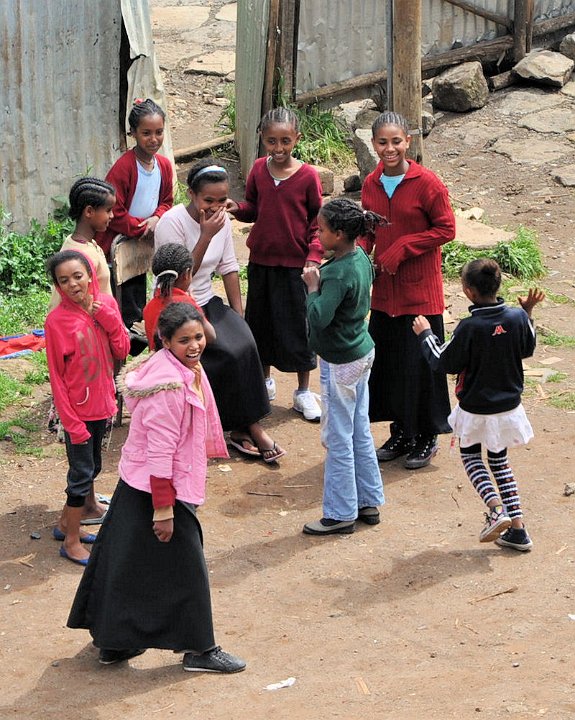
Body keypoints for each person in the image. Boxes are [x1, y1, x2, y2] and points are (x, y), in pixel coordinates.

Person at [67, 303, 246, 673]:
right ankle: (200, 649)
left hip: (137, 484)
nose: (194, 346)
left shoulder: (174, 368)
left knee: (125, 562)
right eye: (184, 340)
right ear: (165, 341)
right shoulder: (168, 387)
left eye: (198, 337)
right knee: (189, 568)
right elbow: (161, 452)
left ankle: (114, 642)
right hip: (160, 489)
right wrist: (164, 510)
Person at [155, 158, 285, 463]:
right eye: (208, 200)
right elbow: (180, 278)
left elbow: (228, 267)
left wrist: (238, 315)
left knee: (245, 342)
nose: (215, 208)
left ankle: (245, 426)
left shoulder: (222, 220)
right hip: (176, 303)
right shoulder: (171, 223)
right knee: (221, 352)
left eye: (222, 200)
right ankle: (246, 428)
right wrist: (205, 235)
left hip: (206, 300)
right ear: (191, 194)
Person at [413, 258, 544, 551]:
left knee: (472, 458)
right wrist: (527, 312)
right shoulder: (516, 317)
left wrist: (425, 335)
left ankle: (496, 510)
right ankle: (518, 531)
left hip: (477, 408)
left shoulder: (469, 327)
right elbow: (527, 348)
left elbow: (443, 362)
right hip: (509, 407)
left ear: (468, 291)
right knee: (499, 463)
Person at [359, 111, 456, 469]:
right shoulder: (371, 184)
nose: (390, 149)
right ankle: (401, 432)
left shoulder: (427, 183)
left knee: (422, 365)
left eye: (396, 141)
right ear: (373, 144)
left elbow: (446, 229)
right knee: (390, 363)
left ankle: (427, 436)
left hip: (419, 293)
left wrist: (404, 246)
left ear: (408, 142)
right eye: (383, 142)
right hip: (385, 293)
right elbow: (368, 230)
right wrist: (358, 256)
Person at [226, 107, 323, 423]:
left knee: (298, 328)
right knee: (261, 323)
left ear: (297, 138)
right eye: (271, 141)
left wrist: (313, 256)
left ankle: (303, 391)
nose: (278, 148)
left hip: (295, 266)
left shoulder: (308, 176)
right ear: (262, 139)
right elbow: (254, 208)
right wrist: (237, 207)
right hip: (261, 262)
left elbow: (317, 221)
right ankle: (265, 381)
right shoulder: (258, 169)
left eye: (285, 141)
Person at [301, 199, 385, 535]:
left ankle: (339, 513)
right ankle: (368, 500)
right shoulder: (360, 257)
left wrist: (312, 288)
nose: (318, 235)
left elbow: (319, 317)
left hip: (341, 362)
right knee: (359, 429)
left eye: (321, 230)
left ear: (338, 234)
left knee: (338, 437)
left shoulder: (335, 273)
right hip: (362, 351)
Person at [45, 251, 130, 565]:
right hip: (77, 414)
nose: (73, 284)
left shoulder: (106, 305)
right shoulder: (56, 322)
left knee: (91, 469)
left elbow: (122, 349)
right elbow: (57, 378)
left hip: (102, 405)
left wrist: (108, 319)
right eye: (64, 280)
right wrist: (71, 423)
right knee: (81, 475)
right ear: (58, 287)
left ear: (91, 276)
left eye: (77, 276)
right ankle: (70, 541)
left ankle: (65, 524)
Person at [96, 98, 173, 335]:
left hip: (141, 243)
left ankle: (135, 335)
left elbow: (167, 201)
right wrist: (142, 228)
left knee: (138, 286)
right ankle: (120, 338)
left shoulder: (163, 166)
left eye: (159, 132)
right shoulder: (124, 167)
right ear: (133, 133)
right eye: (146, 133)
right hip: (118, 242)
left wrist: (157, 218)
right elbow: (114, 211)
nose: (154, 139)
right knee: (119, 293)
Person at [48, 177, 115, 310]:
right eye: (108, 210)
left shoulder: (83, 243)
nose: (112, 215)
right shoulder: (82, 255)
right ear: (89, 211)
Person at [143, 243, 216, 350]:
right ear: (186, 274)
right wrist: (194, 305)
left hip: (157, 358)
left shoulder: (149, 307)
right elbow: (211, 336)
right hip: (181, 359)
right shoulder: (186, 304)